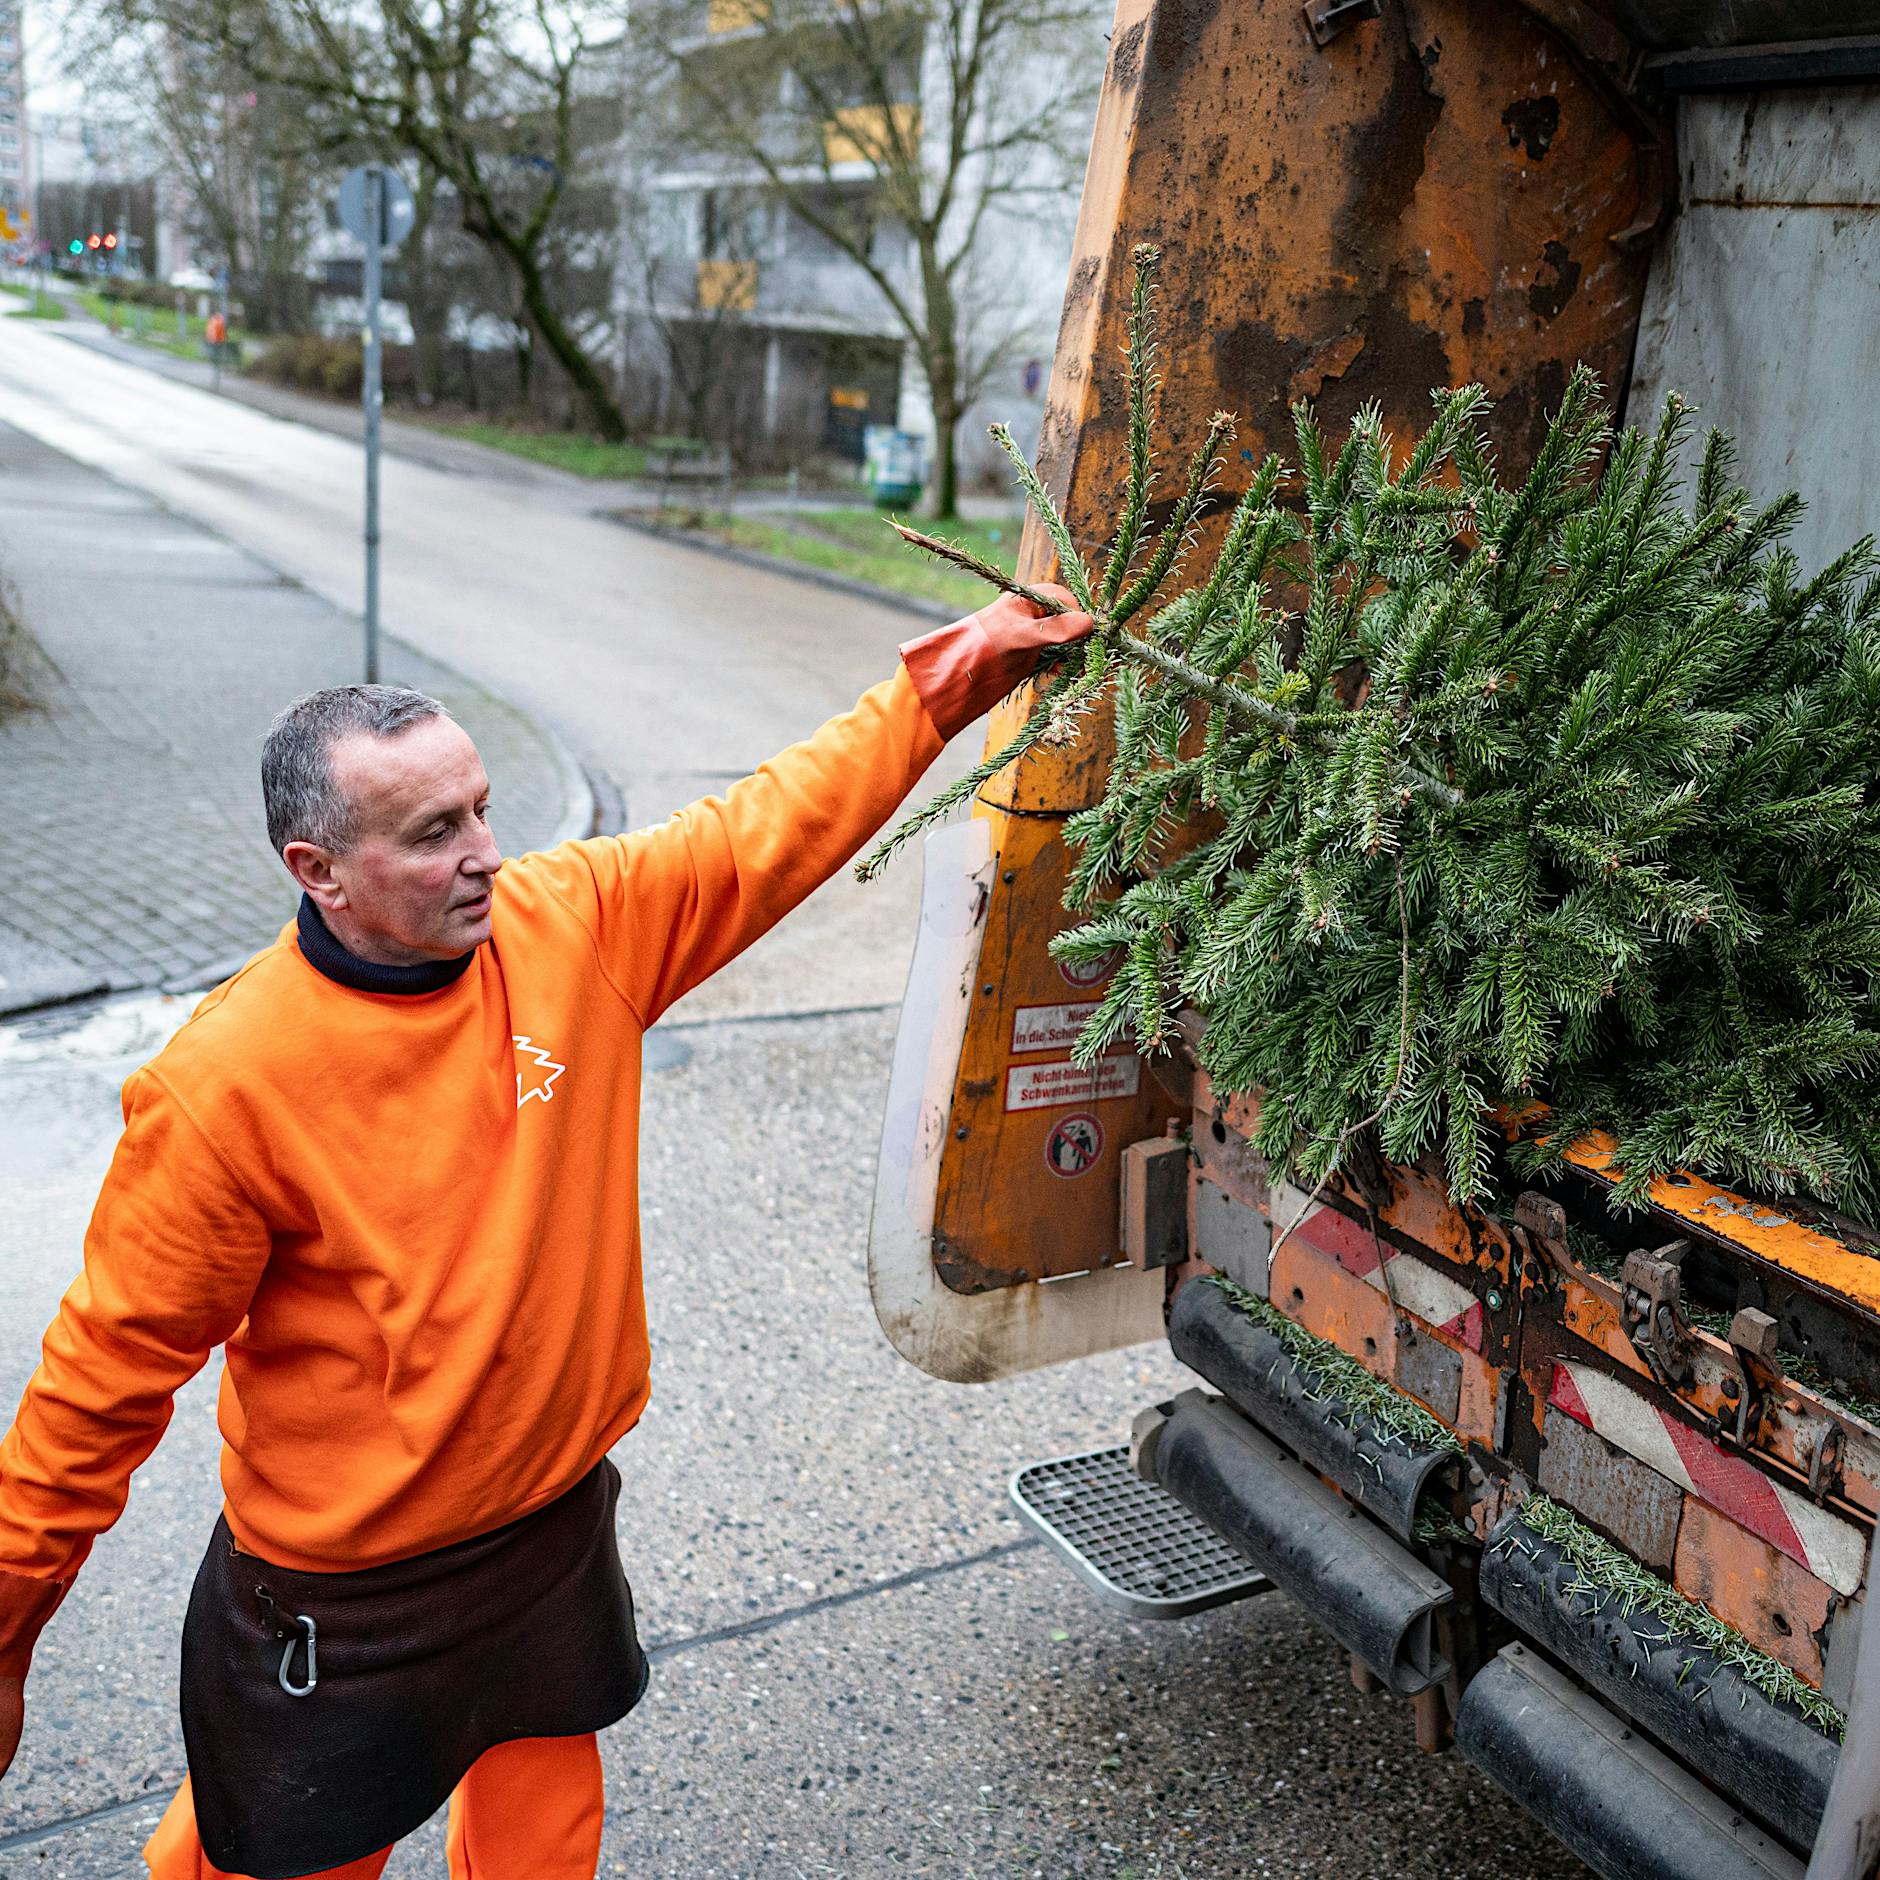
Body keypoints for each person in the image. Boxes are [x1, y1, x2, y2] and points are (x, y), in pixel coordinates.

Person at [0, 587, 1092, 1880]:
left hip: (546, 1536)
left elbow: (764, 825)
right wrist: (7, 1631)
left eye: (480, 808)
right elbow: (100, 1384)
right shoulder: (224, 1088)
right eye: (431, 832)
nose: (483, 854)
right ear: (319, 871)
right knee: (272, 1853)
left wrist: (948, 680)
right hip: (346, 1599)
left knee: (540, 1838)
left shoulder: (569, 925)